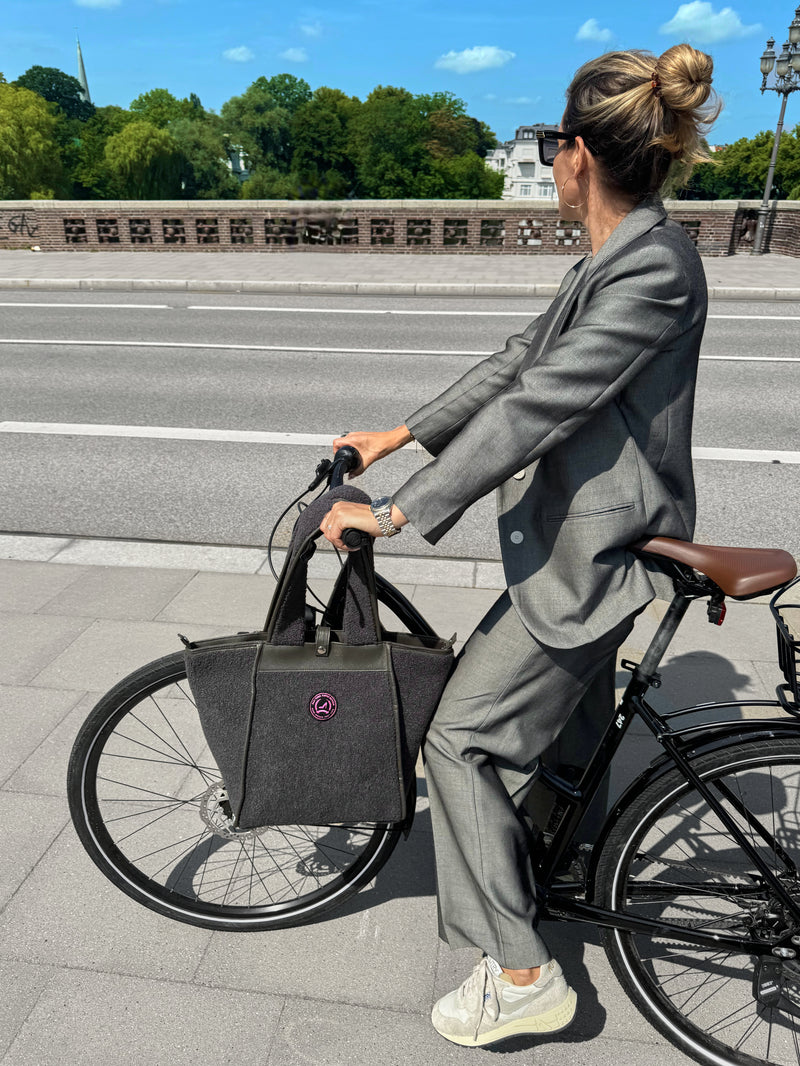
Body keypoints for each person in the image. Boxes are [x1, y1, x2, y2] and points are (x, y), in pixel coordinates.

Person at [320, 44, 720, 1048]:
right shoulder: (616, 254)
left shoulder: (653, 266)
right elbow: (516, 363)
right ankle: (563, 868)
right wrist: (401, 432)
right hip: (577, 546)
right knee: (568, 738)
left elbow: (542, 401)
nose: (549, 165)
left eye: (551, 148)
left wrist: (400, 509)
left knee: (459, 740)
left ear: (576, 154)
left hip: (598, 556)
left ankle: (522, 970)